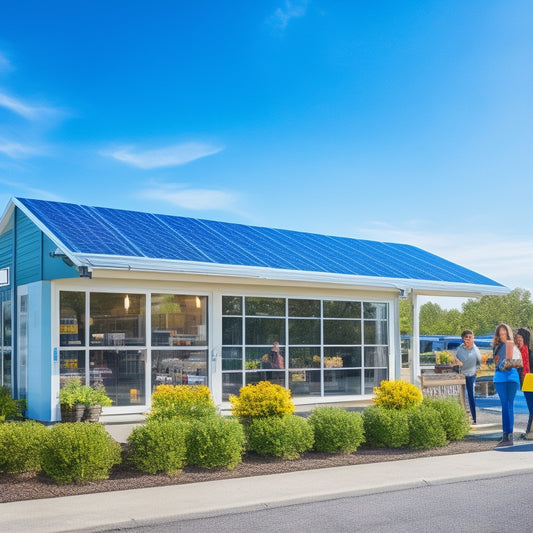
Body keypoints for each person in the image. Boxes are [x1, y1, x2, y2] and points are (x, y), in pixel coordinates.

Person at [492, 323, 521, 447]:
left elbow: (519, 362)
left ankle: (509, 436)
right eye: (500, 333)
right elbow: (496, 363)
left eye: (504, 332)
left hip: (512, 377)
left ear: (508, 333)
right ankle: (506, 436)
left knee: (509, 405)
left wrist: (508, 363)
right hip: (499, 378)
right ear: (497, 335)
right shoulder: (496, 347)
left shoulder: (512, 345)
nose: (502, 335)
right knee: (505, 406)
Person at [455, 329, 481, 424]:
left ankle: (473, 419)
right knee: (460, 397)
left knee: (471, 396)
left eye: (470, 337)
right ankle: (461, 419)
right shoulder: (459, 349)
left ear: (473, 338)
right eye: (466, 337)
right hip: (461, 376)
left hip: (471, 375)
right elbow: (455, 361)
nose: (469, 339)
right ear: (463, 339)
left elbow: (479, 363)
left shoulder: (476, 350)